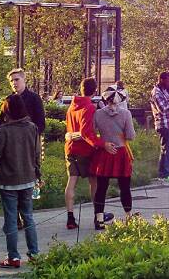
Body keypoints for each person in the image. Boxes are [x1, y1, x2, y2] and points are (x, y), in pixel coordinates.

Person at [0, 95, 40, 268]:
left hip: (8, 180)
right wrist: (37, 173)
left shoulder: (4, 130)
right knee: (28, 217)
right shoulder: (32, 127)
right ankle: (34, 254)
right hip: (28, 178)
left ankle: (14, 257)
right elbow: (36, 153)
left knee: (10, 219)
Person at [0, 68, 45, 231]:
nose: (14, 83)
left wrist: (30, 136)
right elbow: (1, 123)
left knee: (28, 179)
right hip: (11, 147)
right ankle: (16, 219)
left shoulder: (34, 99)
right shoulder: (9, 100)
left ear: (24, 80)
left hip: (29, 144)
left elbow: (41, 123)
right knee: (14, 179)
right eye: (11, 81)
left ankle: (25, 216)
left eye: (17, 79)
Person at [63, 78, 108, 230]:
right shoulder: (89, 107)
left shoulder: (71, 106)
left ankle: (70, 217)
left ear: (81, 89)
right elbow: (86, 133)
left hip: (70, 147)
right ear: (95, 91)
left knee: (71, 182)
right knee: (93, 181)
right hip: (85, 150)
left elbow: (71, 129)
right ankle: (98, 215)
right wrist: (101, 143)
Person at [91, 86, 136, 225]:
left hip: (105, 152)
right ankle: (128, 217)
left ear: (105, 98)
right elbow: (130, 135)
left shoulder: (97, 113)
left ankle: (99, 219)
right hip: (121, 151)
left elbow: (92, 132)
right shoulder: (126, 114)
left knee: (101, 188)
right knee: (124, 187)